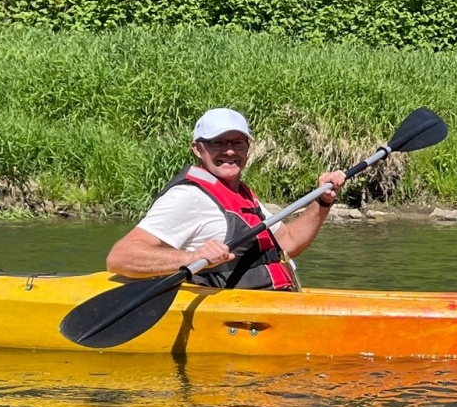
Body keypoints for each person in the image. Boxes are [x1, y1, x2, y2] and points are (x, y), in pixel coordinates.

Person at [106, 108, 346, 289]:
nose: (229, 151)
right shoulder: (188, 197)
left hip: (271, 307)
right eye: (217, 143)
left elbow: (289, 242)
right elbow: (121, 257)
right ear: (198, 149)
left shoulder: (241, 194)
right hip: (238, 321)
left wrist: (322, 202)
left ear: (247, 148)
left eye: (237, 143)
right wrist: (192, 257)